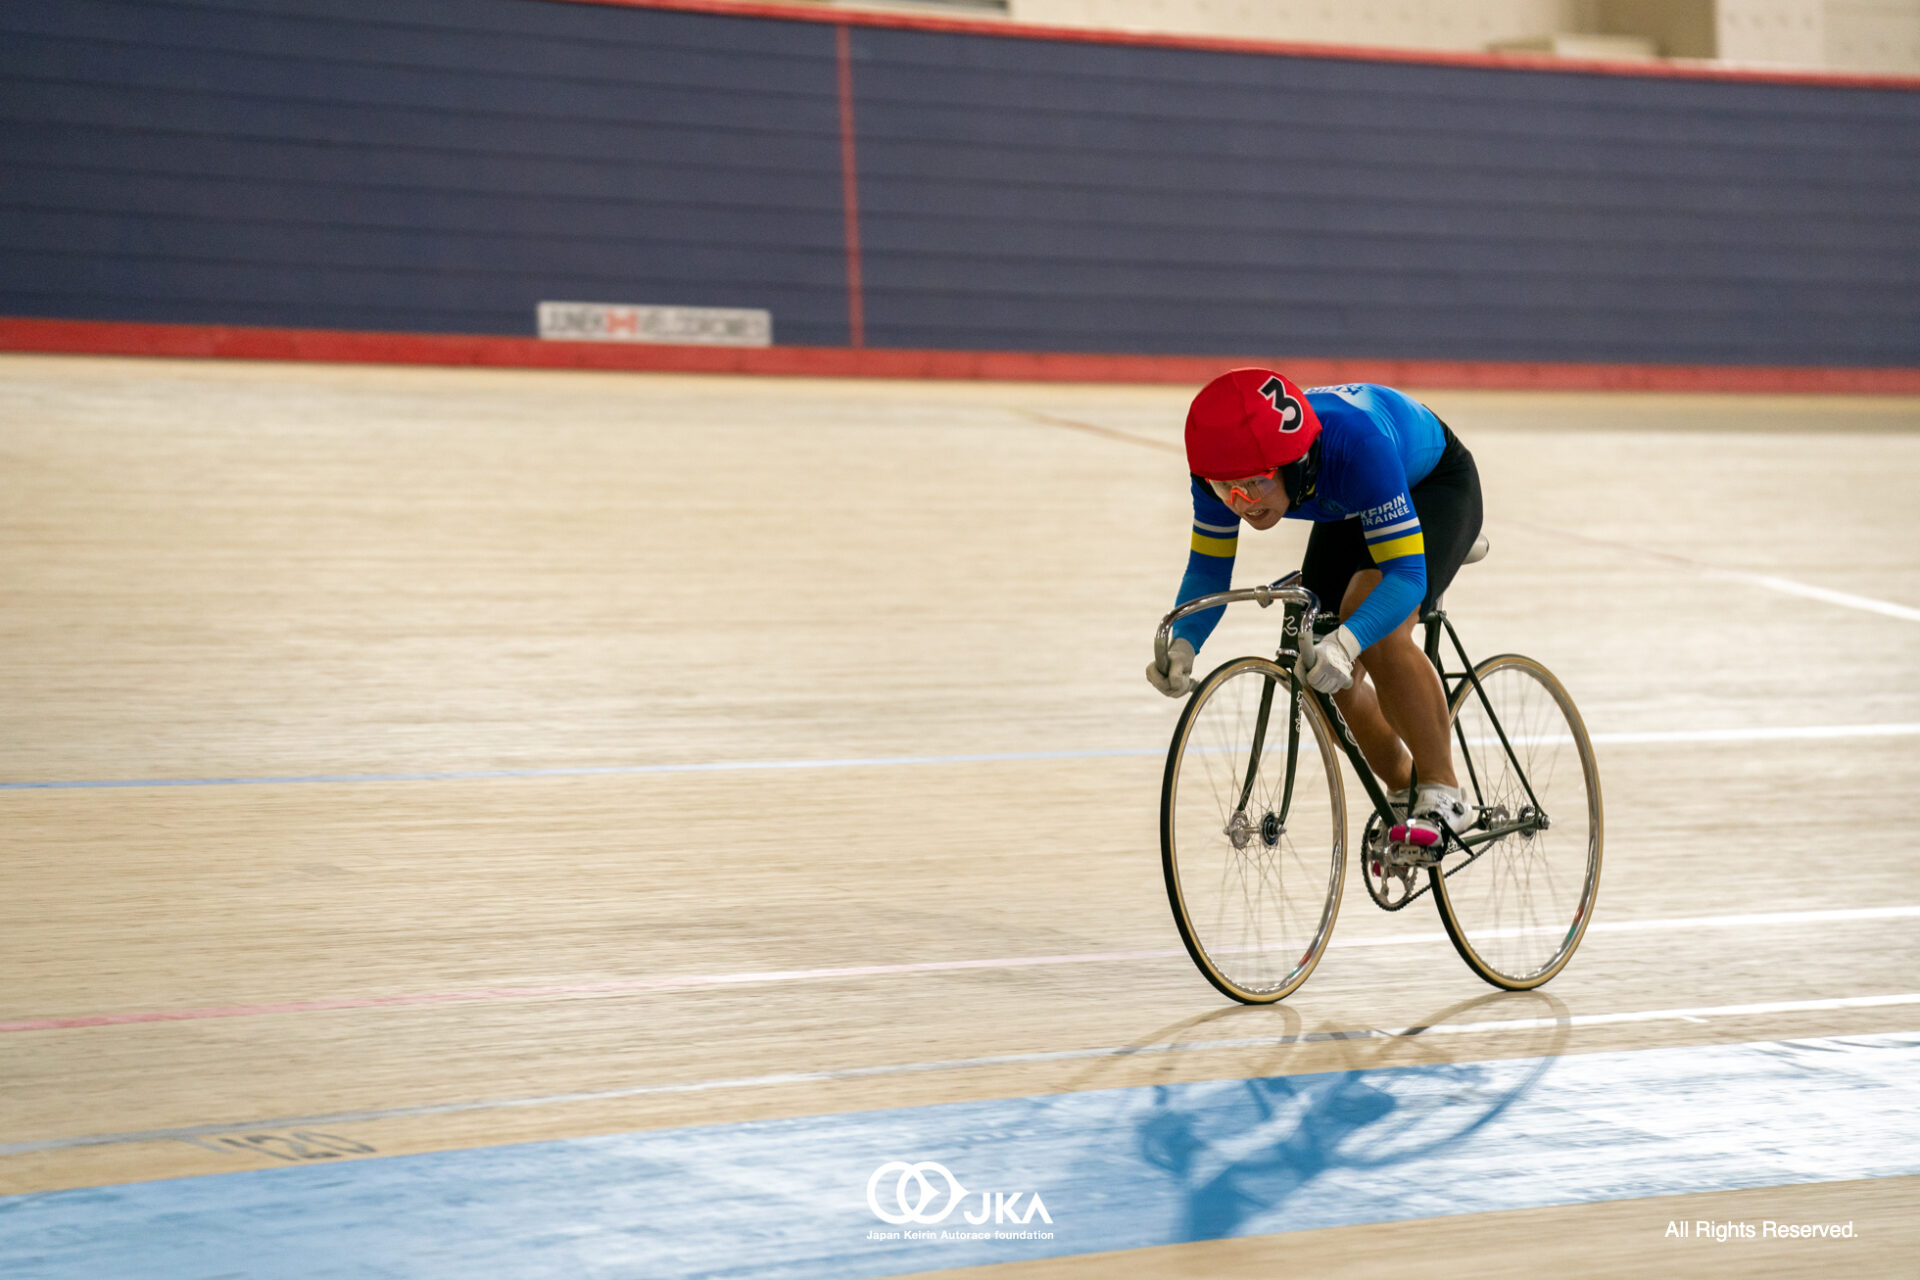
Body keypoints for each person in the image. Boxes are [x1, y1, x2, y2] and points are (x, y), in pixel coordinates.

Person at [1146, 368, 1485, 839]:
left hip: (1429, 484)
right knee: (1316, 666)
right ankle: (1405, 792)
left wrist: (1348, 642)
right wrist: (1184, 643)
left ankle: (1444, 792)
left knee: (1371, 626)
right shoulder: (1218, 471)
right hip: (1342, 497)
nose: (1241, 502)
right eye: (1226, 489)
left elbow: (1406, 577)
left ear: (1295, 463)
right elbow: (1208, 570)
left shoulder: (1357, 447)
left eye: (1255, 483)